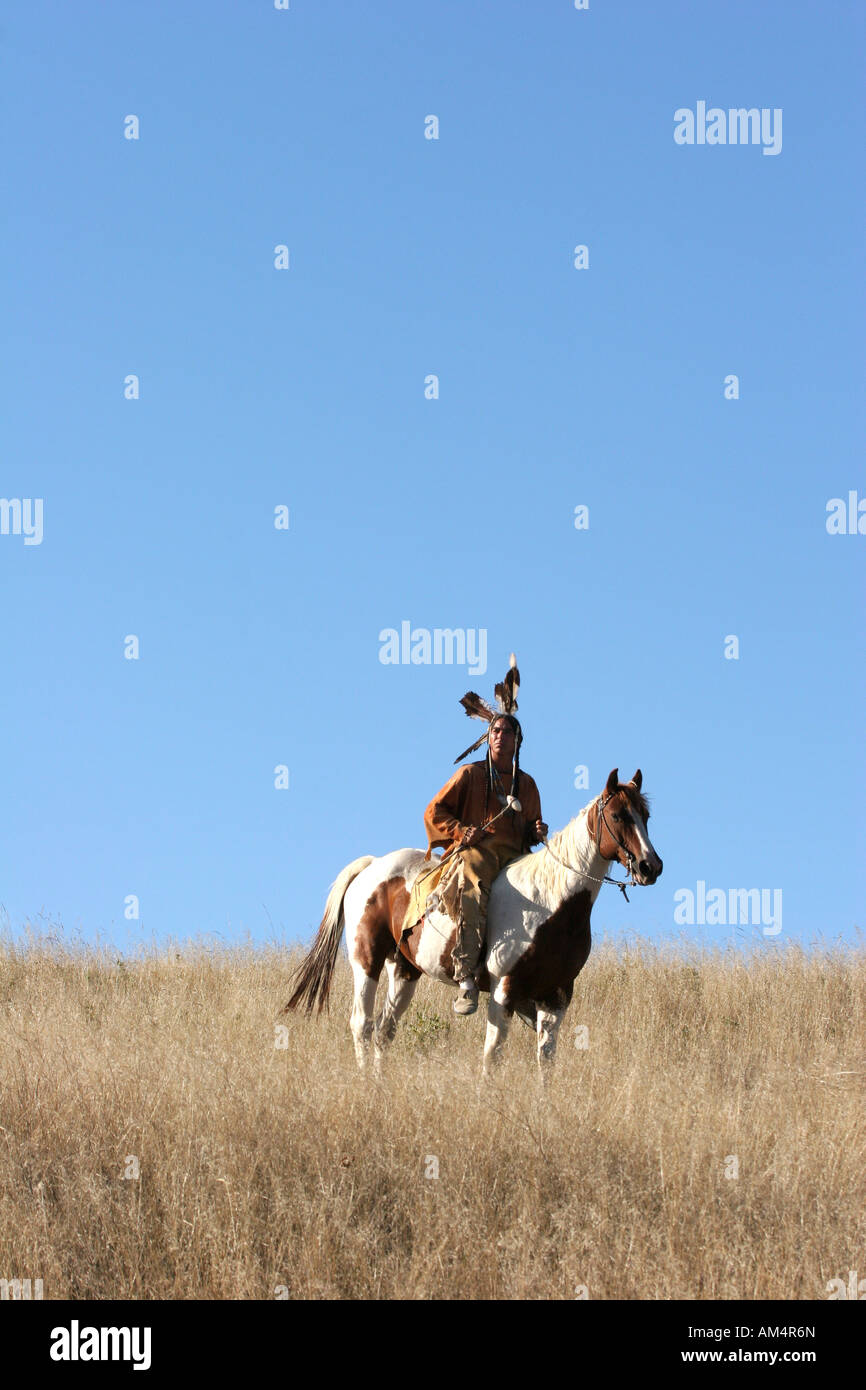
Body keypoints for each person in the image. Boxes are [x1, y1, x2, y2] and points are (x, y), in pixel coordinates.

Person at [402, 656, 547, 1015]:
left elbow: (530, 828)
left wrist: (537, 830)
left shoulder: (526, 785)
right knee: (474, 887)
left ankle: (527, 977)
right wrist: (461, 831)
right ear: (488, 738)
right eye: (495, 731)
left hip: (515, 856)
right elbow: (433, 811)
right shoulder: (469, 775)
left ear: (518, 741)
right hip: (476, 851)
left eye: (507, 732)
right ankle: (466, 975)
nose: (500, 736)